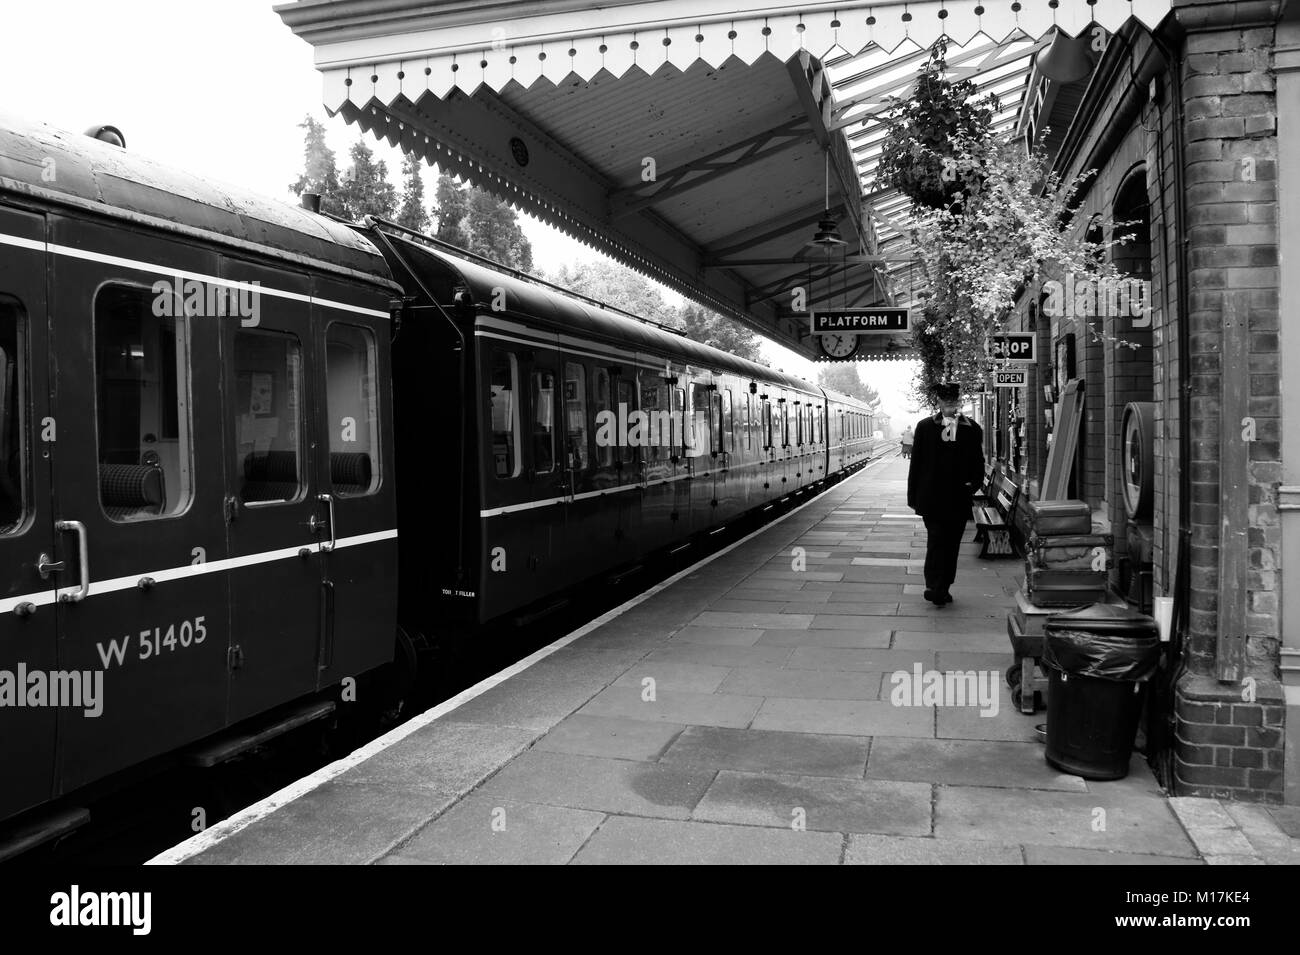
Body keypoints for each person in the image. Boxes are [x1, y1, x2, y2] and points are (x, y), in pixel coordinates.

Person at [906, 383, 985, 606]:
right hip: (932, 498)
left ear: (958, 402)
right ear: (938, 402)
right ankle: (934, 586)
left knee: (952, 545)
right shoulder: (924, 427)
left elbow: (978, 463)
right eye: (946, 402)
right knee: (936, 541)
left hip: (958, 498)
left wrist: (972, 486)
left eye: (953, 402)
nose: (950, 406)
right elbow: (917, 465)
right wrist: (913, 496)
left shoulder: (972, 429)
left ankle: (944, 586)